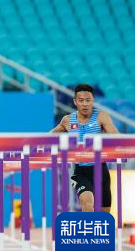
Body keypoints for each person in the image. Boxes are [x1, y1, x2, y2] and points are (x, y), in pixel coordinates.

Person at [49, 83, 120, 212]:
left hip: (101, 170)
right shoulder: (67, 120)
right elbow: (49, 136)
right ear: (75, 102)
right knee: (87, 202)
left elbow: (116, 136)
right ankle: (88, 226)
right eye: (81, 100)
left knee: (104, 214)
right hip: (81, 171)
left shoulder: (101, 117)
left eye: (88, 100)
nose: (85, 104)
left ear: (93, 100)